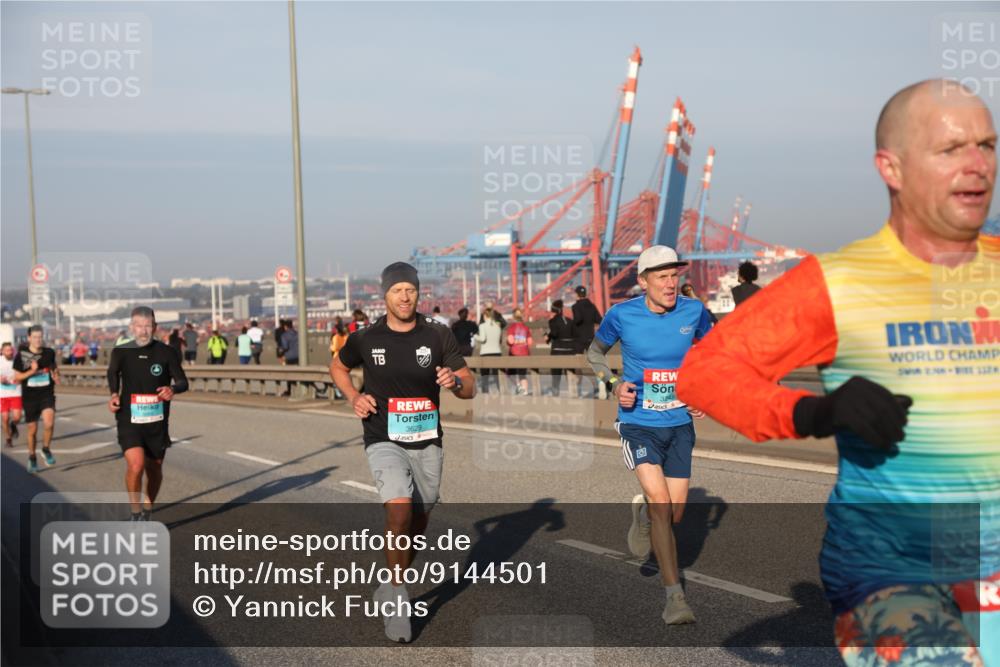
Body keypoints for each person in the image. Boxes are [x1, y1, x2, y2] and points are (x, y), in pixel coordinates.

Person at [677, 79, 999, 666]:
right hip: (893, 565)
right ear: (891, 167)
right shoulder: (836, 281)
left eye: (987, 145)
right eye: (950, 149)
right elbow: (704, 373)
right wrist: (816, 411)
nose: (977, 165)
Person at [330, 261, 475, 643]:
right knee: (398, 511)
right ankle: (397, 596)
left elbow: (470, 385)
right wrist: (353, 397)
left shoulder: (437, 335)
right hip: (383, 436)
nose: (405, 296)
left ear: (418, 293)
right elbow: (338, 367)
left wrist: (454, 381)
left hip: (427, 440)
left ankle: (388, 582)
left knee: (420, 520)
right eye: (397, 291)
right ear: (385, 295)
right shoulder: (367, 338)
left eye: (410, 289)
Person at [587, 245, 713, 626]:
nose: (671, 283)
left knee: (672, 513)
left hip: (678, 423)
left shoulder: (694, 311)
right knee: (662, 505)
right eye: (662, 277)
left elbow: (716, 352)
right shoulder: (622, 315)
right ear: (643, 282)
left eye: (675, 275)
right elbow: (594, 353)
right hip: (638, 421)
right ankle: (675, 598)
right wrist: (613, 383)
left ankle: (641, 513)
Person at [107, 307, 189, 521]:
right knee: (136, 464)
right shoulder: (121, 351)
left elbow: (182, 381)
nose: (143, 331)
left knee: (155, 469)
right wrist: (114, 394)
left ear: (155, 327)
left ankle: (147, 507)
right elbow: (112, 373)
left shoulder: (167, 352)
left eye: (148, 326)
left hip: (156, 421)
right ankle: (135, 512)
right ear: (131, 328)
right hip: (129, 418)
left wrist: (173, 389)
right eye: (139, 326)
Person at [12, 325, 60, 473]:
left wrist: (56, 374)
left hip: (46, 394)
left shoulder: (49, 353)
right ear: (29, 338)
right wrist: (32, 371)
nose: (38, 340)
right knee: (32, 430)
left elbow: (54, 368)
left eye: (40, 337)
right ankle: (32, 457)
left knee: (49, 422)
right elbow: (17, 377)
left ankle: (45, 449)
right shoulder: (21, 356)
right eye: (35, 337)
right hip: (30, 397)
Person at [572, 285, 603, 396]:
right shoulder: (592, 306)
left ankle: (578, 390)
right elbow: (599, 320)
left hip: (579, 339)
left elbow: (578, 319)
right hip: (591, 338)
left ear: (577, 294)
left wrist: (572, 324)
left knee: (578, 365)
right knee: (593, 363)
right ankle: (597, 388)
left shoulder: (575, 306)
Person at [544, 300, 576, 396]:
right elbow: (574, 334)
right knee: (570, 372)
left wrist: (547, 337)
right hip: (570, 350)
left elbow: (554, 333)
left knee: (556, 373)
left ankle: (555, 391)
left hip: (558, 350)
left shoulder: (553, 321)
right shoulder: (570, 321)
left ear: (553, 311)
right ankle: (573, 392)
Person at [476, 304, 503, 394]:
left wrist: (475, 336)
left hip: (486, 353)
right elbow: (499, 339)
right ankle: (499, 391)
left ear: (485, 315)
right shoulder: (498, 326)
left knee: (485, 375)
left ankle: (485, 393)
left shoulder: (482, 326)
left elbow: (483, 339)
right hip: (497, 352)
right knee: (496, 375)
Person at [506, 308, 533, 395]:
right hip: (524, 353)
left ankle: (518, 386)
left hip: (514, 353)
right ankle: (525, 391)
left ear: (513, 316)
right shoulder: (526, 327)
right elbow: (530, 342)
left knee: (510, 373)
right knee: (522, 373)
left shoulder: (512, 327)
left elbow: (510, 341)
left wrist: (508, 341)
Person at [1, 341, 23, 448]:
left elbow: (23, 374)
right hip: (3, 394)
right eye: (7, 350)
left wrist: (20, 379)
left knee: (17, 417)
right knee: (4, 418)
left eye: (11, 350)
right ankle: (8, 439)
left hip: (16, 392)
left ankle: (13, 425)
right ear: (2, 351)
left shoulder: (17, 360)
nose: (10, 352)